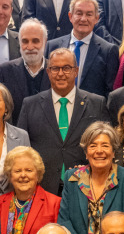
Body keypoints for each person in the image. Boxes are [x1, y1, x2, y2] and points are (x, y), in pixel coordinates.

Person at [17, 48, 110, 195]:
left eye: (66, 68)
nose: (60, 74)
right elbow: (21, 150)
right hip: (42, 188)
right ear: (48, 72)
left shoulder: (96, 103)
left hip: (85, 187)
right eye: (55, 68)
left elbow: (108, 145)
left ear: (76, 71)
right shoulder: (30, 105)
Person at [57, 122, 124, 234]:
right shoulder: (72, 178)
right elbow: (64, 222)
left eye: (105, 146)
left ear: (114, 152)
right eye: (93, 146)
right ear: (86, 153)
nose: (99, 151)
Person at [45, 0, 119, 97]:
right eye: (79, 13)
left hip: (92, 111)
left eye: (89, 14)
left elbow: (109, 92)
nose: (83, 19)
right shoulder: (51, 46)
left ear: (96, 18)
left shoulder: (108, 51)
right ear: (70, 16)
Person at [0, 17, 51, 124]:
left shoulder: (56, 71)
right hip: (15, 137)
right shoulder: (4, 72)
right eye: (25, 41)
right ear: (19, 43)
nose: (30, 47)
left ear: (45, 42)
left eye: (35, 41)